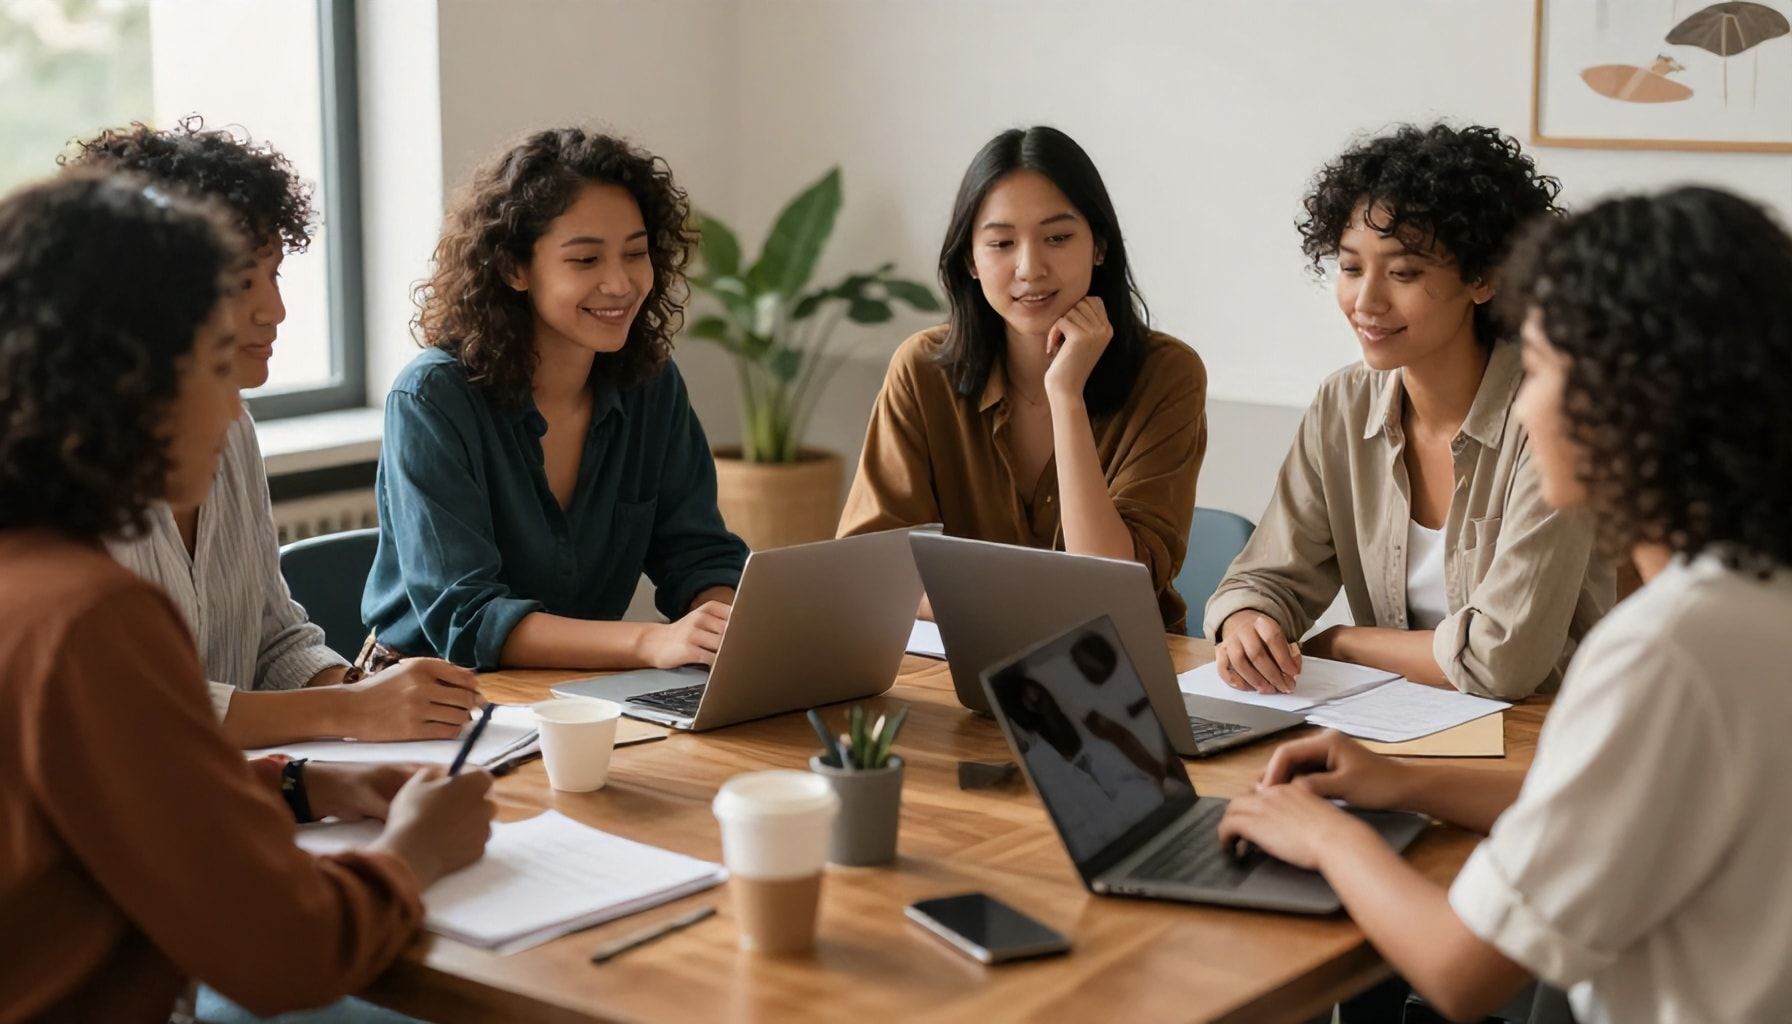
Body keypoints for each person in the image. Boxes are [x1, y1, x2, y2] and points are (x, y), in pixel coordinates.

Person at [1217, 187, 1792, 1024]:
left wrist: (1324, 835)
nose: (1524, 402)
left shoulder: (1664, 652)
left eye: (1547, 368)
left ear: (1637, 400)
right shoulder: (1750, 598)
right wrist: (1404, 781)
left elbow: (1460, 970)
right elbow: (1612, 799)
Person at [0, 169, 494, 1022]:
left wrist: (304, 786)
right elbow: (289, 957)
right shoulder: (91, 616)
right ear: (131, 383)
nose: (232, 404)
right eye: (215, 364)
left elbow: (113, 794)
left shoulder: (33, 577)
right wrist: (417, 851)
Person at [66, 118, 480, 747]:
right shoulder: (59, 463)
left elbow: (274, 637)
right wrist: (350, 714)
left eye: (274, 275)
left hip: (233, 794)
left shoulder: (230, 425)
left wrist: (360, 690)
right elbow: (116, 705)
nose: (274, 310)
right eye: (240, 283)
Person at [1205, 124, 1612, 699]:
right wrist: (1249, 624)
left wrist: (1342, 644)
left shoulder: (1554, 418)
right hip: (1395, 727)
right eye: (1350, 268)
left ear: (1483, 277)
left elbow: (1503, 661)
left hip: (1545, 737)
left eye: (1403, 273)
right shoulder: (1343, 404)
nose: (1366, 302)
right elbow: (1267, 577)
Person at [362, 127, 748, 671]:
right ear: (513, 268)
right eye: (585, 260)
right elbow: (468, 619)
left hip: (578, 693)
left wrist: (720, 624)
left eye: (635, 254)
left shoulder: (650, 385)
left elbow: (699, 553)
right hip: (434, 701)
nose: (620, 283)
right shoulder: (431, 398)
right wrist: (651, 643)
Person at [837, 126, 1208, 632]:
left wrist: (1066, 396)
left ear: (1099, 245)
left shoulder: (1168, 374)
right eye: (1001, 243)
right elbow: (869, 569)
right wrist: (1010, 613)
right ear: (970, 258)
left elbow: (1109, 586)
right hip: (953, 666)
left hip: (1121, 674)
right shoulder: (922, 371)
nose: (1030, 268)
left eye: (1057, 237)